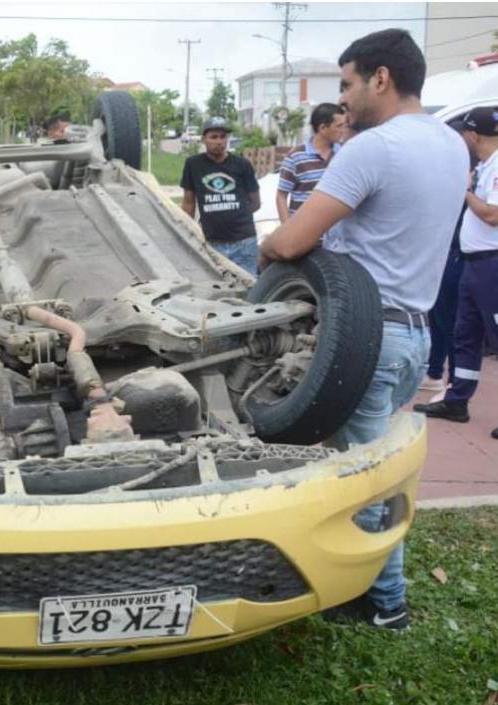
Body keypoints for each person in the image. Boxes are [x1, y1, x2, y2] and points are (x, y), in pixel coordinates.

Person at [260, 29, 470, 629]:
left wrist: (266, 252)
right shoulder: (453, 145)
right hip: (414, 336)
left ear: (381, 78)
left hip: (368, 338)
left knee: (364, 479)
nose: (343, 100)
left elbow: (297, 239)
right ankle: (367, 589)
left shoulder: (373, 150)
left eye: (348, 84)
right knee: (373, 467)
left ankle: (385, 603)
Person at [414, 105, 498, 441]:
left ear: (474, 134)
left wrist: (463, 192)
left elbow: (493, 215)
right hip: (474, 263)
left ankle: (457, 396)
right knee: (465, 335)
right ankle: (457, 398)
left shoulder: (494, 168)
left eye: (465, 132)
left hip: (492, 263)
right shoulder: (484, 166)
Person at [421, 117, 474, 396]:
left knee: (452, 322)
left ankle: (453, 382)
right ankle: (434, 373)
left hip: (457, 253)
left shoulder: (468, 172)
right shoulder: (453, 170)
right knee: (439, 317)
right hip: (443, 252)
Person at [180, 115, 261, 275]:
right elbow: (189, 203)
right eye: (214, 137)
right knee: (216, 289)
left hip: (244, 243)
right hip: (211, 243)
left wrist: (233, 214)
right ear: (203, 139)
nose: (219, 141)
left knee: (248, 289)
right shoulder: (193, 165)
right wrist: (187, 231)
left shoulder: (242, 164)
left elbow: (255, 202)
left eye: (223, 137)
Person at [276, 103, 346, 222]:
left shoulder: (344, 154)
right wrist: (288, 230)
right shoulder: (295, 157)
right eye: (339, 126)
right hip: (303, 235)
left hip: (336, 237)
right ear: (323, 128)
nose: (343, 130)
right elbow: (281, 196)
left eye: (344, 125)